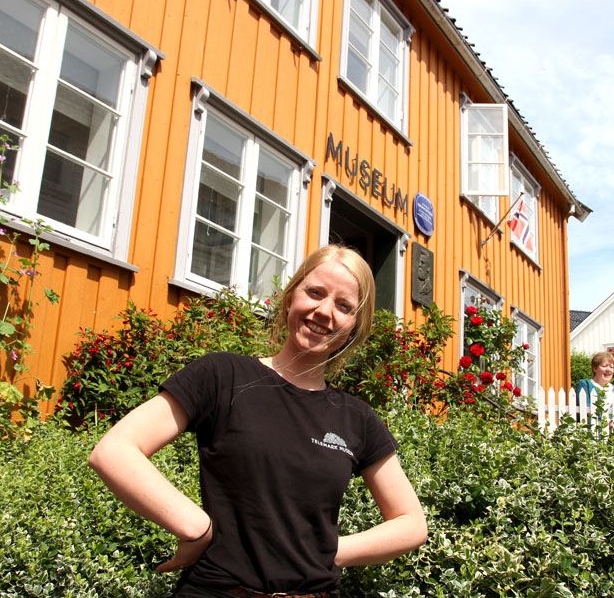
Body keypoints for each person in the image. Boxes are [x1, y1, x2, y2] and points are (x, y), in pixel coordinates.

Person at [89, 245, 427, 597]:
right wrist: (195, 527)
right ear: (290, 297)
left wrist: (330, 552)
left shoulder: (357, 418)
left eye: (344, 306)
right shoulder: (223, 376)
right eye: (314, 292)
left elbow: (411, 523)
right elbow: (114, 451)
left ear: (354, 327)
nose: (324, 312)